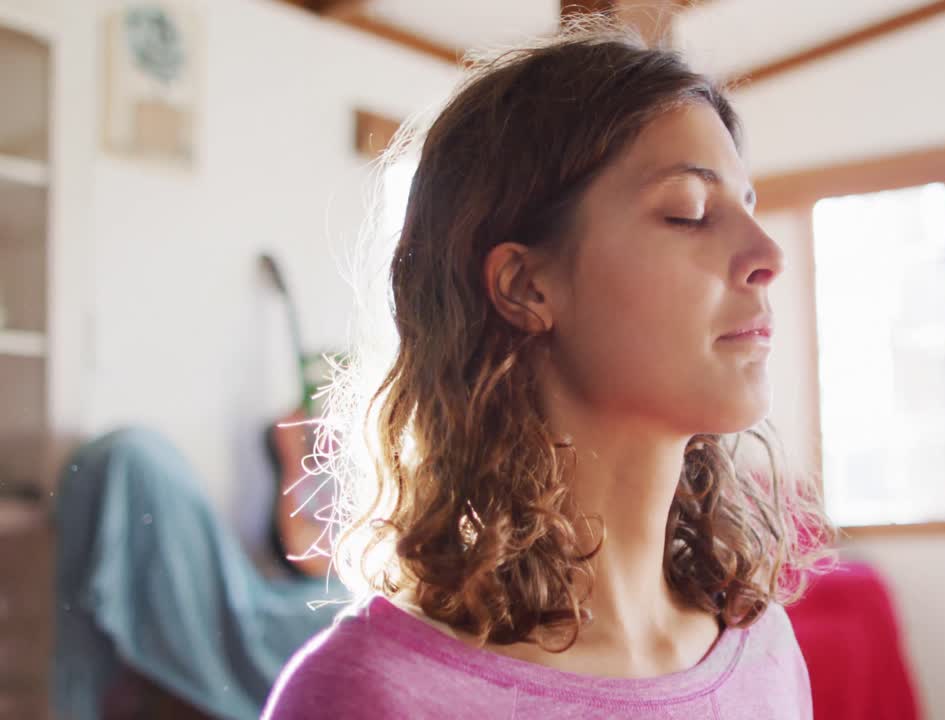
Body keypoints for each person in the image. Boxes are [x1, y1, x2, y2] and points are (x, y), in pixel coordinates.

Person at [264, 17, 831, 719]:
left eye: (748, 206)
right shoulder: (374, 692)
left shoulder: (765, 650)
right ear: (526, 287)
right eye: (687, 212)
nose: (768, 253)